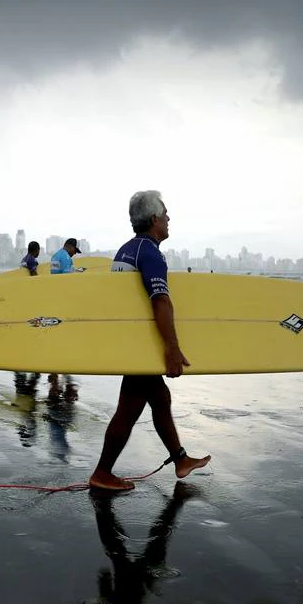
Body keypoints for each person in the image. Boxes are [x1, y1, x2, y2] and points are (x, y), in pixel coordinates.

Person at [88, 190, 210, 492]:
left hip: (131, 342)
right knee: (129, 409)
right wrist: (172, 347)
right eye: (165, 213)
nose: (169, 218)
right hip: (142, 344)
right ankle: (102, 473)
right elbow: (160, 301)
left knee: (159, 398)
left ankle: (180, 459)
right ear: (155, 219)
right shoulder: (150, 253)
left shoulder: (125, 250)